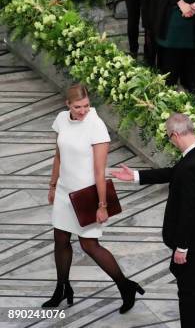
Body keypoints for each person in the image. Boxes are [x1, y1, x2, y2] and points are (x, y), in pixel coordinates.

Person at [111, 113, 195, 328]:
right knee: (186, 278)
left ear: (175, 134)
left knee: (187, 291)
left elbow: (188, 210)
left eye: (169, 137)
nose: (171, 142)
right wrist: (137, 176)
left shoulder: (192, 164)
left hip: (190, 238)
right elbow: (174, 173)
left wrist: (182, 247)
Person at [44, 84, 143, 313]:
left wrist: (102, 205)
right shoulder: (61, 119)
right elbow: (58, 155)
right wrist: (52, 185)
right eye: (78, 106)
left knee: (90, 245)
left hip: (88, 194)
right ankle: (62, 288)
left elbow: (100, 171)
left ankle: (125, 286)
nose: (83, 110)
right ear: (67, 104)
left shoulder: (96, 125)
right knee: (60, 241)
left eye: (86, 105)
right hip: (63, 191)